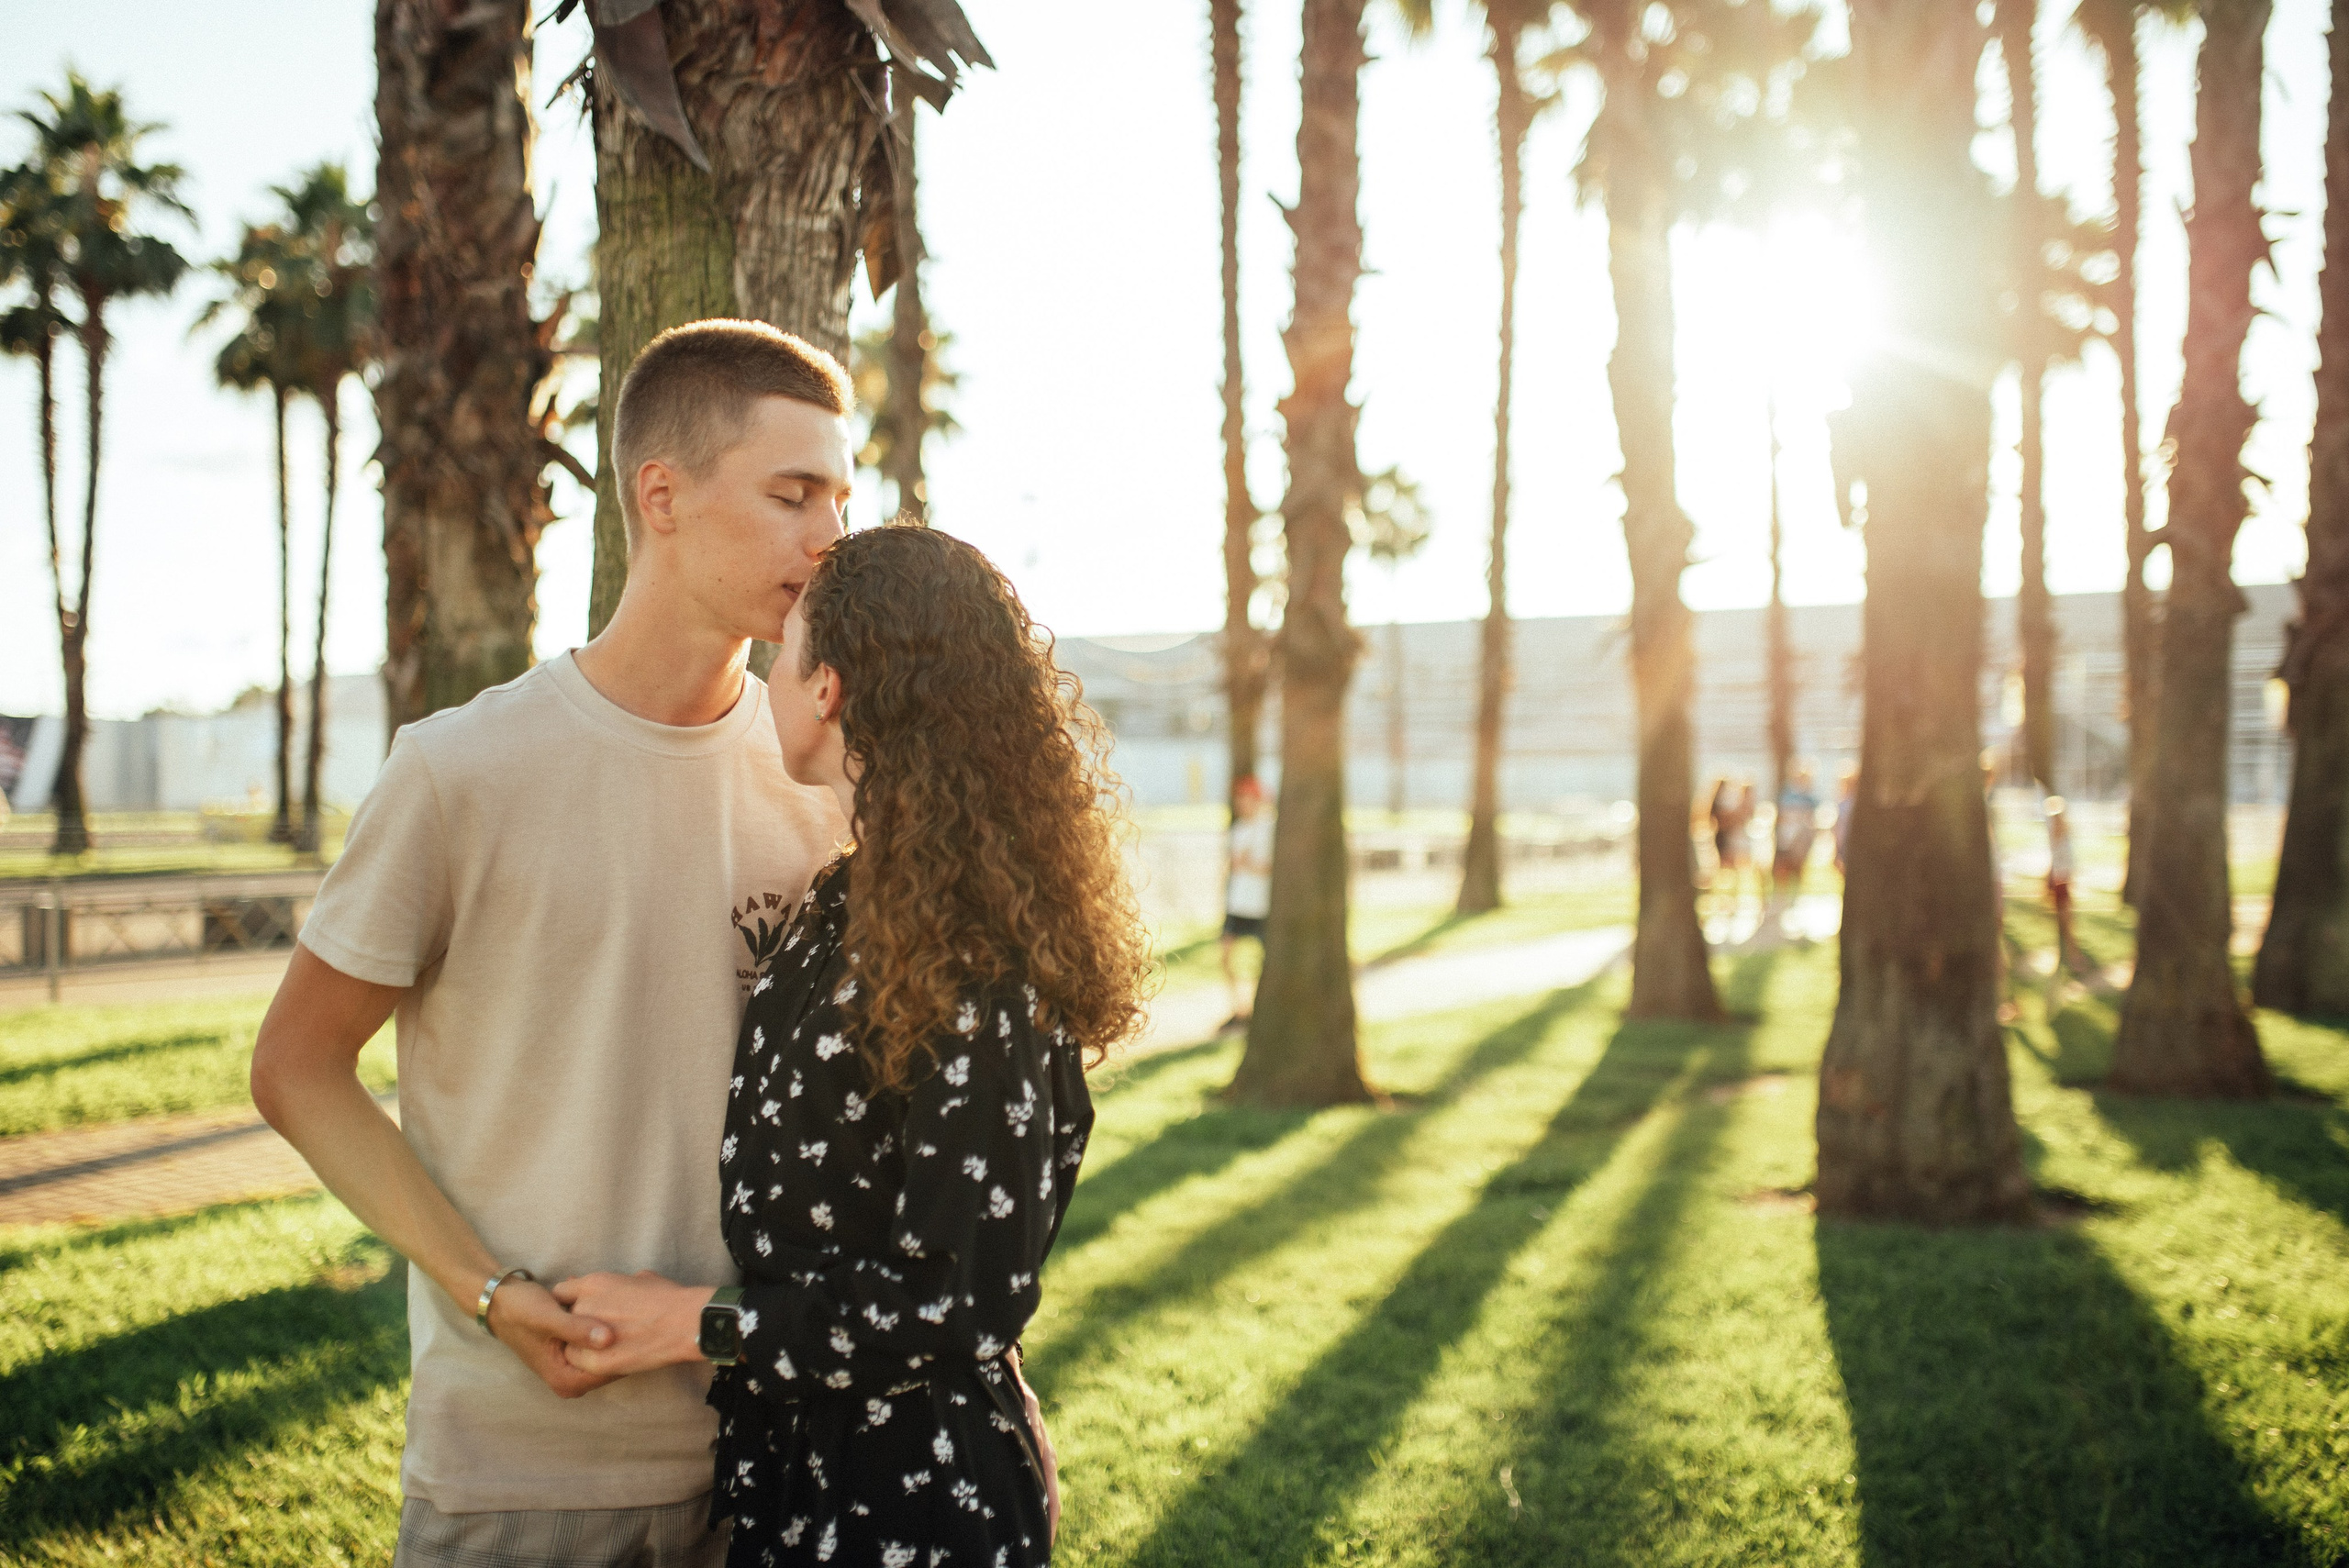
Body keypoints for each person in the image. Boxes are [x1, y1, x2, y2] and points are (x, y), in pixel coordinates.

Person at [250, 320, 955, 1567]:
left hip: (786, 1464)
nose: (829, 536)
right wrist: (484, 1290)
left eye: (840, 497)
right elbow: (297, 1068)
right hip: (528, 1470)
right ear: (662, 495)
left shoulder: (828, 784)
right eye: (793, 494)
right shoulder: (460, 770)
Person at [550, 525, 1151, 1567]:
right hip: (800, 1471)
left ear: (826, 686)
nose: (766, 677)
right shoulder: (841, 900)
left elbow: (955, 1299)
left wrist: (695, 1322)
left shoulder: (979, 956)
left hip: (917, 1506)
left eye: (783, 652)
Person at [1220, 773, 1275, 1030]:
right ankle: (1239, 1009)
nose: (1243, 804)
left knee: (1263, 960)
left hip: (1260, 906)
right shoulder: (1238, 829)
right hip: (1238, 904)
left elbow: (1271, 868)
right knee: (1226, 954)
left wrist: (1249, 865)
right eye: (1239, 799)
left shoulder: (1268, 829)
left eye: (1247, 799)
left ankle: (1259, 1008)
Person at [1772, 766, 1820, 906]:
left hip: (1802, 839)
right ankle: (1782, 898)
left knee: (1799, 867)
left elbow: (1813, 820)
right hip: (1785, 838)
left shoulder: (1810, 798)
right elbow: (1780, 816)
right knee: (1783, 868)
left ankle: (1796, 898)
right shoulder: (1786, 795)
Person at [2046, 795, 2081, 974]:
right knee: (2063, 920)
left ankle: (2072, 955)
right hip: (2058, 881)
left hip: (2062, 882)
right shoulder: (2056, 838)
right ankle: (2070, 955)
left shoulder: (2064, 838)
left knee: (2066, 920)